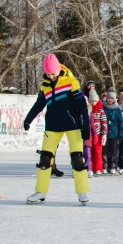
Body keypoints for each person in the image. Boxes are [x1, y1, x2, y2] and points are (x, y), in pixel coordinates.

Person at [23, 54, 91, 204]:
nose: (51, 76)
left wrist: (86, 126)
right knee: (45, 159)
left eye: (52, 73)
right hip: (53, 126)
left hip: (73, 125)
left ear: (58, 69)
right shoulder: (44, 85)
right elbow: (39, 104)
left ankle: (82, 192)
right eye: (48, 73)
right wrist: (28, 119)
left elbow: (82, 106)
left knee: (77, 159)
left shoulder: (71, 82)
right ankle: (40, 191)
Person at [102, 89, 123, 174]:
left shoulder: (117, 109)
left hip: (114, 133)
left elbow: (120, 121)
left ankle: (112, 166)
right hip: (105, 133)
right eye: (108, 98)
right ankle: (104, 166)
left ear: (114, 99)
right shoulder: (103, 108)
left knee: (113, 151)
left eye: (111, 98)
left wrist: (120, 132)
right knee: (104, 150)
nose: (110, 100)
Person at [88, 89, 107, 176]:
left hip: (98, 134)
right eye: (92, 100)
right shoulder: (88, 110)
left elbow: (104, 122)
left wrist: (104, 134)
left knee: (98, 151)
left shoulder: (100, 110)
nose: (93, 102)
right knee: (90, 152)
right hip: (89, 134)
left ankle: (98, 168)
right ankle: (90, 168)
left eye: (95, 101)